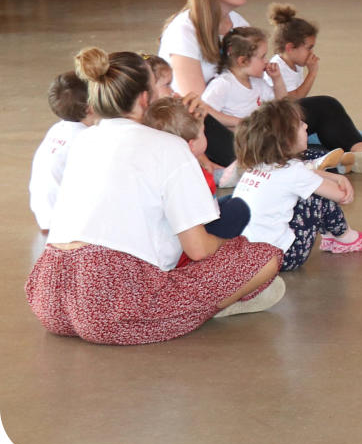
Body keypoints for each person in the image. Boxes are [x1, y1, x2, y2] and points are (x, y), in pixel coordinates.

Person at [25, 47, 284, 345]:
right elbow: (199, 249)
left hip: (50, 298)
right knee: (264, 257)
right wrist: (233, 249)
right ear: (145, 98)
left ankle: (200, 303)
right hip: (112, 310)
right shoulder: (169, 146)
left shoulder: (83, 141)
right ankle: (206, 308)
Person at [158, 0, 362, 173]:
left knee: (325, 106)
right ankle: (293, 164)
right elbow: (197, 107)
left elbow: (261, 88)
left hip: (249, 121)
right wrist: (246, 122)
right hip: (211, 126)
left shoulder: (237, 24)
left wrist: (276, 108)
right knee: (222, 132)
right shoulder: (184, 31)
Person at [232, 99, 362, 271]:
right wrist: (340, 182)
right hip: (285, 257)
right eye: (300, 124)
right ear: (287, 139)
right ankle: (344, 237)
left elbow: (299, 174)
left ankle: (331, 231)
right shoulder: (294, 172)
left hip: (247, 255)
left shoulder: (257, 165)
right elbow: (340, 195)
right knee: (317, 193)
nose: (306, 126)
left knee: (310, 178)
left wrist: (333, 176)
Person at [266, 3, 362, 146]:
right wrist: (312, 73)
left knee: (335, 126)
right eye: (309, 48)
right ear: (290, 48)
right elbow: (293, 99)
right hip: (283, 126)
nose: (311, 53)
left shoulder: (294, 63)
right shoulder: (278, 68)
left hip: (293, 119)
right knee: (327, 118)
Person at [142, 97, 251, 246]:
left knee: (231, 200)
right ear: (191, 145)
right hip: (197, 236)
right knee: (240, 208)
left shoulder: (162, 165)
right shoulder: (190, 173)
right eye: (203, 132)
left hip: (176, 230)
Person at [29, 71, 97, 231]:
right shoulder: (88, 139)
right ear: (90, 108)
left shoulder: (57, 129)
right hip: (69, 225)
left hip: (45, 217)